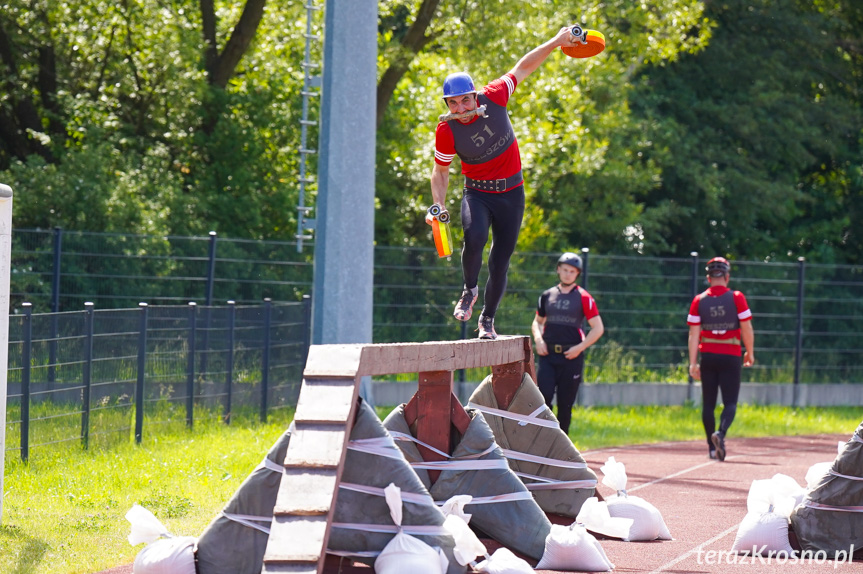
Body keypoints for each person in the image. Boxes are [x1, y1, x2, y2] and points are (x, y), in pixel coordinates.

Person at [427, 26, 587, 340]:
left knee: (500, 260)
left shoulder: (496, 95)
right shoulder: (446, 131)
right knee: (474, 238)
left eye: (464, 101)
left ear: (475, 96)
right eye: (452, 104)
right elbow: (441, 171)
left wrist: (556, 41)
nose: (460, 109)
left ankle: (487, 320)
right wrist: (439, 205)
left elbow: (523, 67)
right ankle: (469, 290)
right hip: (477, 193)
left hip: (512, 193)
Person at [687, 256, 755, 461]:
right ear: (726, 276)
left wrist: (693, 362)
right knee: (730, 402)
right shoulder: (736, 297)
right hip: (731, 354)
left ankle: (710, 447)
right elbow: (746, 327)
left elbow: (693, 334)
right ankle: (721, 434)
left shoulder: (699, 300)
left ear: (708, 278)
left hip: (707, 356)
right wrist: (750, 352)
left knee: (708, 404)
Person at [531, 252, 605, 434]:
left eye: (572, 271)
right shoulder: (547, 295)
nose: (567, 274)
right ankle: (543, 442)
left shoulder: (584, 297)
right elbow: (537, 322)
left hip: (571, 358)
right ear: (558, 269)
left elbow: (598, 328)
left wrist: (580, 348)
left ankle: (563, 448)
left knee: (565, 403)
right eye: (564, 270)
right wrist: (538, 340)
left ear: (577, 274)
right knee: (543, 398)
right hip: (547, 356)